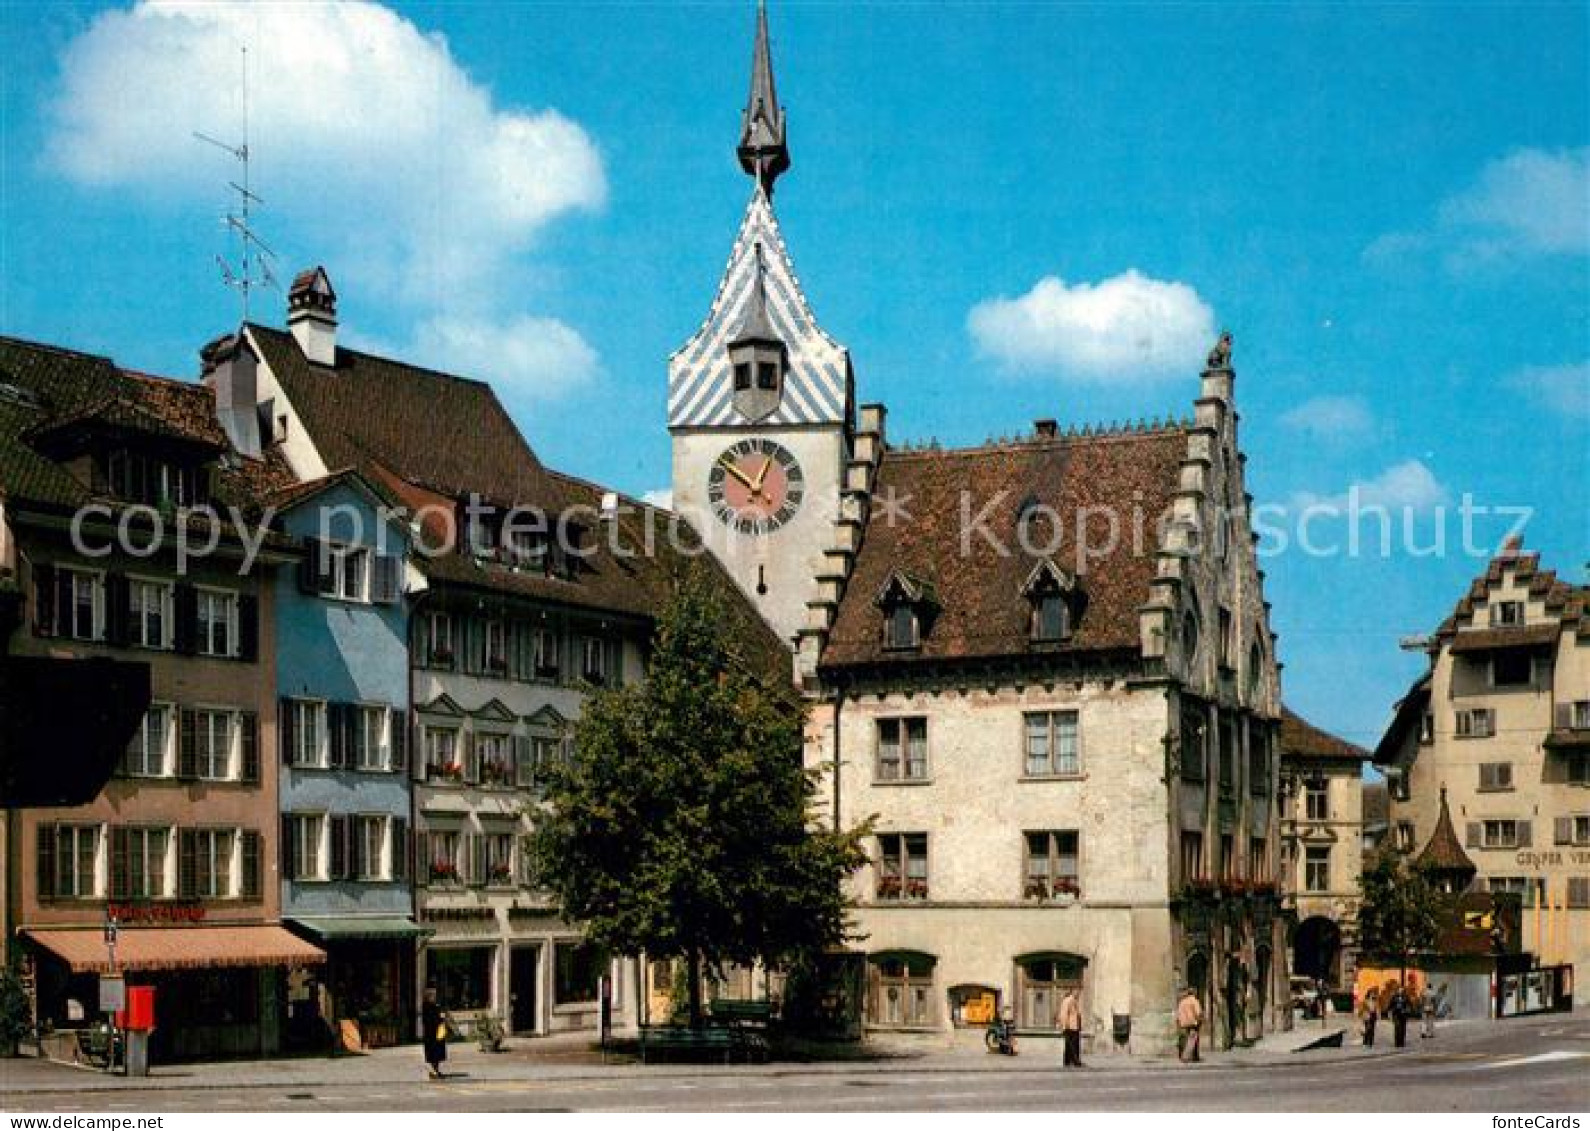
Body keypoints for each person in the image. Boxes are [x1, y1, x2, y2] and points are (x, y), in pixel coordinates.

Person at [421, 986, 448, 1079]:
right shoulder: (426, 1006)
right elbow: (427, 1020)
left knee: (438, 1053)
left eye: (435, 995)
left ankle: (436, 1070)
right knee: (433, 1053)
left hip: (438, 1032)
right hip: (430, 1034)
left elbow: (441, 1015)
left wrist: (442, 1017)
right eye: (433, 995)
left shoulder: (437, 1005)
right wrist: (439, 1018)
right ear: (428, 996)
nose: (435, 997)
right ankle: (434, 1071)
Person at [1175, 987, 1203, 1063]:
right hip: (1192, 1023)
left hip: (1183, 1023)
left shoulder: (1182, 1002)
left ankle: (1192, 1056)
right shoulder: (1194, 1001)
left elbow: (1178, 1014)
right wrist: (1200, 1020)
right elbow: (1198, 1013)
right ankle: (1187, 1057)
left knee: (1184, 1040)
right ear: (1194, 993)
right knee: (1192, 1040)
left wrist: (1178, 1022)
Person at [1059, 988, 1083, 1068]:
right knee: (1071, 1045)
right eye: (1076, 992)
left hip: (1075, 1026)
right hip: (1070, 1026)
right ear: (1072, 992)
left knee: (1073, 1045)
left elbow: (1077, 1014)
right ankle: (1074, 1061)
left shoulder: (1075, 1001)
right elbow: (1064, 1014)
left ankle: (1069, 1061)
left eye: (1078, 992)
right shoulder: (1068, 1001)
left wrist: (1079, 1026)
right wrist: (1064, 1026)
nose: (1078, 994)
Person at [1389, 983, 1410, 1048]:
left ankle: (1402, 1042)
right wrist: (1389, 1012)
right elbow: (1390, 1005)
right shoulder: (1394, 997)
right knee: (1397, 1028)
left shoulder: (1406, 997)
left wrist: (1407, 1010)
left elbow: (1409, 1005)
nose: (1400, 990)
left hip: (1403, 1015)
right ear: (1397, 990)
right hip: (1396, 1014)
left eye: (1402, 989)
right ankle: (1397, 1043)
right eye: (1399, 989)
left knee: (1403, 1029)